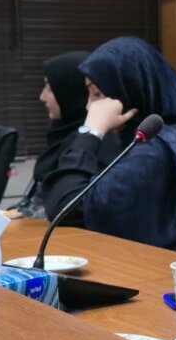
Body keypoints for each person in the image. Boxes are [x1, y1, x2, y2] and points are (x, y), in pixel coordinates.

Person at [41, 37, 176, 251]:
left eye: (97, 94)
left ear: (130, 88)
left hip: (144, 266)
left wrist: (91, 130)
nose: (89, 107)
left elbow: (64, 206)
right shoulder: (138, 142)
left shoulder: (155, 152)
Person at [15, 51, 121, 219]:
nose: (42, 97)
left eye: (50, 88)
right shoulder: (61, 135)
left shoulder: (99, 144)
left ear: (70, 92)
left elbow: (66, 208)